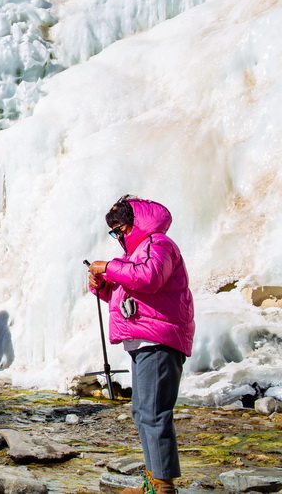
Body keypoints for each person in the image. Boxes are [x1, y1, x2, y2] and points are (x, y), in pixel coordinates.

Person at [88, 196, 195, 494]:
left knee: (153, 411)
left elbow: (149, 277)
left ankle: (163, 487)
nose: (118, 236)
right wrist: (105, 284)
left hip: (158, 339)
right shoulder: (140, 251)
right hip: (144, 338)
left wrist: (108, 267)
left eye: (119, 228)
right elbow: (131, 295)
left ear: (135, 222)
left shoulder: (159, 244)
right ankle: (154, 480)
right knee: (142, 411)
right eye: (115, 232)